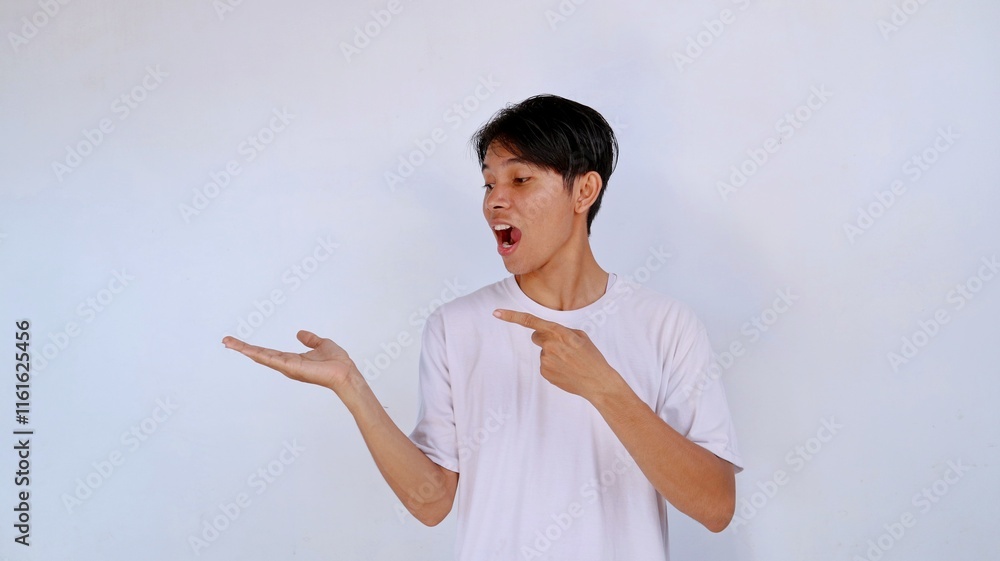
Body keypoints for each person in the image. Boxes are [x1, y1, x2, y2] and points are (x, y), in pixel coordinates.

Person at [223, 94, 743, 560]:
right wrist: (351, 389)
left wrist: (604, 389)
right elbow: (432, 505)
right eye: (490, 183)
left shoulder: (666, 324)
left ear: (584, 191)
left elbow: (716, 507)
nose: (496, 200)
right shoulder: (457, 326)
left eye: (520, 179)